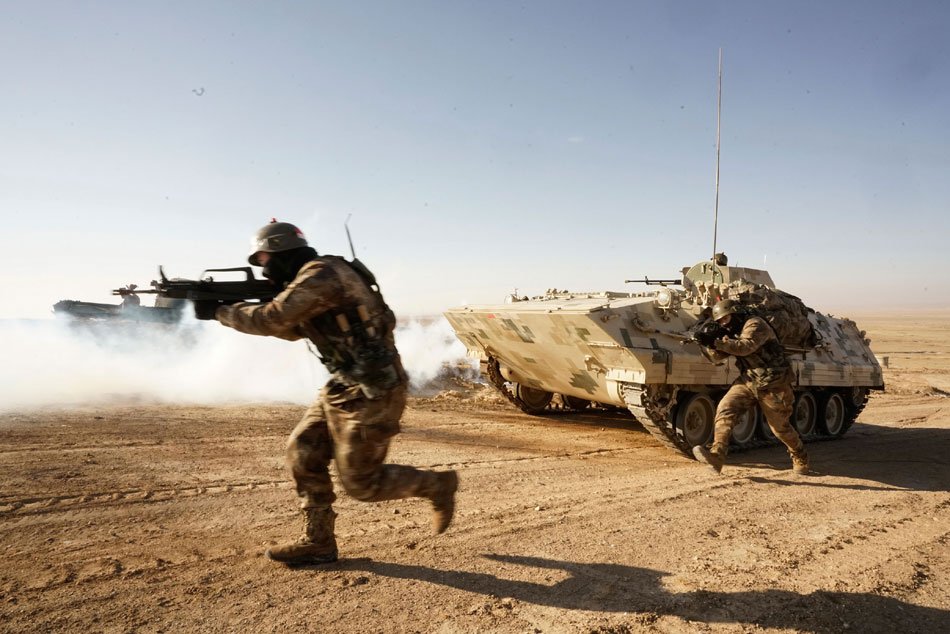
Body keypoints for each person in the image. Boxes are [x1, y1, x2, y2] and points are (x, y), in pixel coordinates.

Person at [194, 220, 459, 566]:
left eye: (264, 260)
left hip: (373, 391)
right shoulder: (316, 276)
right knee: (302, 452)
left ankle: (436, 486)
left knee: (362, 484)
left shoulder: (322, 274)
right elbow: (292, 329)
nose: (263, 270)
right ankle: (319, 542)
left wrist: (221, 312)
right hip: (343, 385)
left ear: (281, 252)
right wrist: (234, 310)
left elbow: (272, 319)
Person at [692, 298, 812, 476]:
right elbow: (718, 358)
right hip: (749, 380)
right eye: (720, 322)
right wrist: (707, 343)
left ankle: (800, 456)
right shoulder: (731, 332)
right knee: (725, 409)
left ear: (736, 313)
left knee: (780, 429)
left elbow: (745, 347)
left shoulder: (755, 324)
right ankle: (717, 455)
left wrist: (717, 342)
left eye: (726, 319)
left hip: (774, 383)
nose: (724, 324)